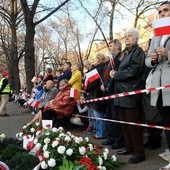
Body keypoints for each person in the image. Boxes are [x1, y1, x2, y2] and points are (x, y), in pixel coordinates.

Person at [109, 28, 146, 164]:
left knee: (133, 125)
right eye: (125, 36)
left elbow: (133, 71)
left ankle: (139, 152)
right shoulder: (125, 53)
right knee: (124, 123)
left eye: (130, 36)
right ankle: (128, 147)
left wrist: (116, 74)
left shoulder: (138, 52)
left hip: (130, 93)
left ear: (136, 38)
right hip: (120, 92)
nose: (126, 38)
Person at [145, 1, 170, 169]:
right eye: (160, 11)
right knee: (167, 126)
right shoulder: (156, 35)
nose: (162, 14)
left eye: (166, 10)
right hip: (159, 89)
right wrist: (152, 60)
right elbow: (147, 59)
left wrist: (168, 54)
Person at [100, 39, 124, 149]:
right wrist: (103, 84)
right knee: (108, 116)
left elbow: (114, 75)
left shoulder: (120, 58)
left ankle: (118, 141)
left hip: (114, 91)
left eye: (111, 45)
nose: (109, 47)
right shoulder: (111, 60)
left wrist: (107, 85)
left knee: (115, 118)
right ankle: (111, 138)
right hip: (107, 92)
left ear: (118, 47)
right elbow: (106, 75)